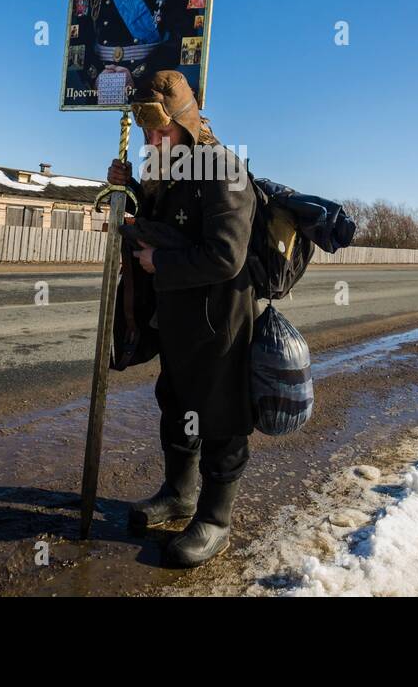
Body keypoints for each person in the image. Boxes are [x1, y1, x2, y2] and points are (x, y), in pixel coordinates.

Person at [105, 70, 256, 568]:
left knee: (220, 418)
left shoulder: (224, 169)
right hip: (177, 316)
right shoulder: (169, 171)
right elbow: (166, 225)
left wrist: (159, 264)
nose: (152, 141)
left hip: (219, 323)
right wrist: (130, 192)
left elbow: (226, 256)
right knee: (175, 400)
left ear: (186, 124)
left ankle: (215, 520)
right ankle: (179, 494)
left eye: (160, 131)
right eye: (146, 132)